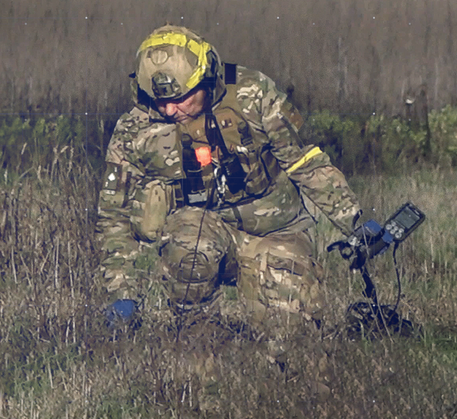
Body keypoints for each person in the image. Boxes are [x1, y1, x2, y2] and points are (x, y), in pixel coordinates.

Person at [95, 25, 361, 339]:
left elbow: (304, 162)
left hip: (277, 231)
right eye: (159, 100)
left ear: (206, 80)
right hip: (203, 233)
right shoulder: (134, 130)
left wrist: (354, 222)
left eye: (179, 98)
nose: (169, 109)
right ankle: (198, 337)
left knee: (291, 338)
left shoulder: (254, 93)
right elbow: (114, 216)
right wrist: (121, 290)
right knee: (187, 248)